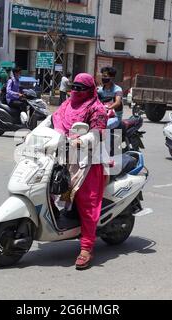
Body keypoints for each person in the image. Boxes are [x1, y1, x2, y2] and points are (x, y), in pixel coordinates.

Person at [50, 73, 108, 270]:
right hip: (63, 153)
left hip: (89, 159)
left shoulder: (96, 108)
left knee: (86, 202)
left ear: (90, 90)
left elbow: (97, 134)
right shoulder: (67, 103)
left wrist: (80, 141)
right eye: (73, 86)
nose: (76, 91)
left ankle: (86, 247)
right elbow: (55, 119)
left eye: (80, 88)